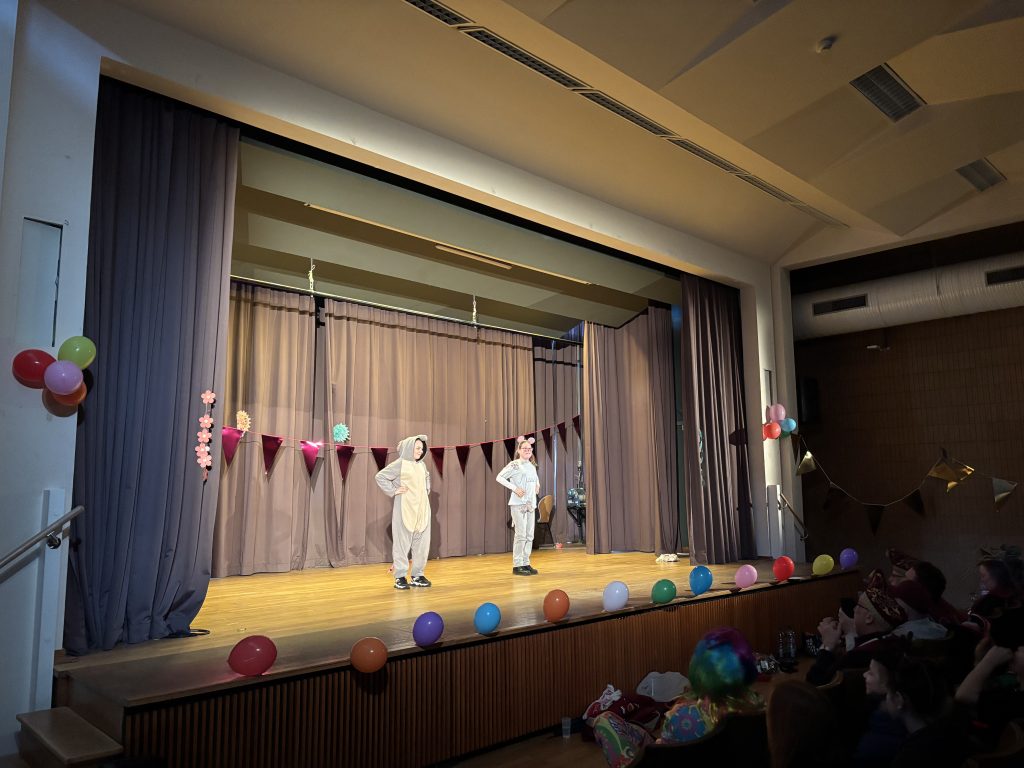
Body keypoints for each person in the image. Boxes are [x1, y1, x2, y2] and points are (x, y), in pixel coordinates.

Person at [592, 627, 763, 767]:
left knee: (604, 721)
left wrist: (671, 719)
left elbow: (662, 754)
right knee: (635, 728)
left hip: (671, 756)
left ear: (698, 668)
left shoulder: (683, 716)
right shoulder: (757, 706)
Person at [807, 569, 908, 686]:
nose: (854, 609)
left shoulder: (863, 654)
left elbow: (814, 684)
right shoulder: (890, 642)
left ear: (869, 618)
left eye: (859, 606)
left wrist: (827, 646)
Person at [375, 434, 432, 590]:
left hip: (422, 510)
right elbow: (380, 477)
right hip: (405, 510)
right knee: (401, 545)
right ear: (409, 448)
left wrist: (426, 488)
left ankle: (417, 575)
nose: (420, 451)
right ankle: (400, 577)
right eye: (417, 448)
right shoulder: (400, 464)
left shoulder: (422, 465)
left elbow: (426, 477)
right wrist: (394, 490)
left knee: (422, 545)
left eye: (422, 449)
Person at [495, 436, 540, 576]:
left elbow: (535, 479)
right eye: (524, 448)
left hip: (530, 504)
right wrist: (514, 488)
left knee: (529, 535)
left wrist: (537, 485)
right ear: (519, 450)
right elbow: (499, 477)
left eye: (529, 448)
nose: (527, 450)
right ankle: (517, 565)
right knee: (521, 534)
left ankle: (525, 562)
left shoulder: (532, 465)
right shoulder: (514, 464)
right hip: (518, 504)